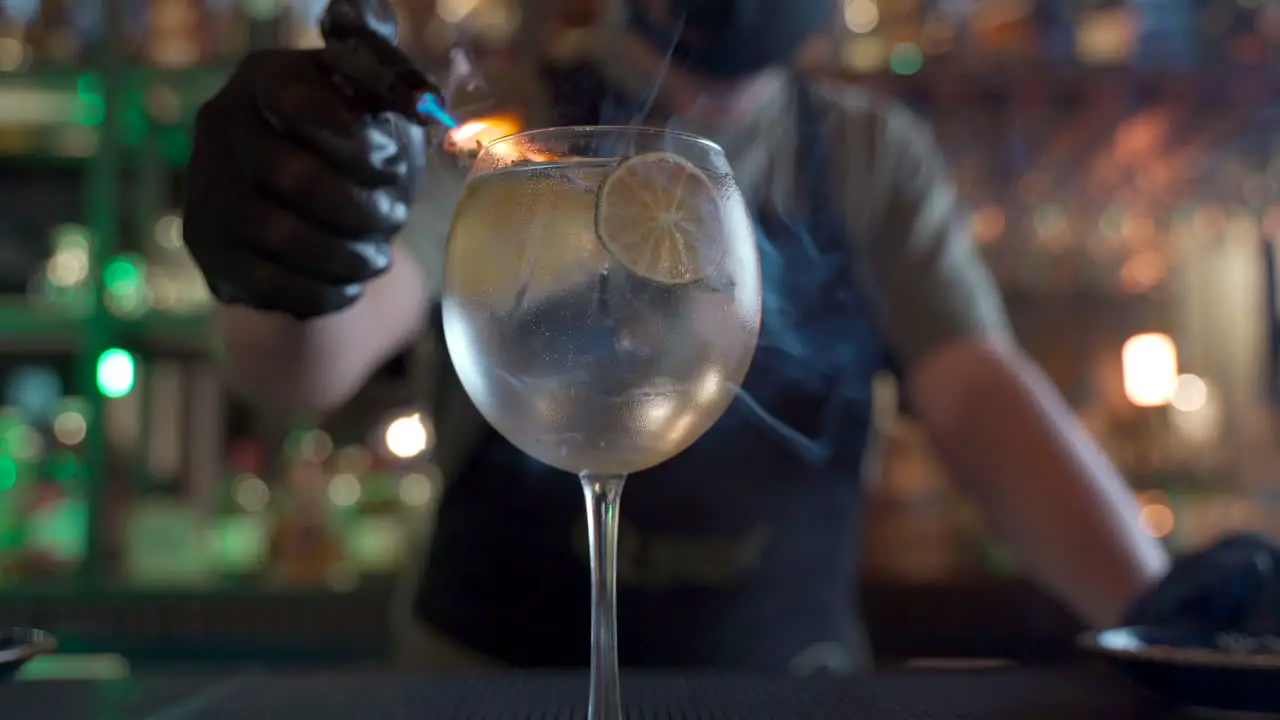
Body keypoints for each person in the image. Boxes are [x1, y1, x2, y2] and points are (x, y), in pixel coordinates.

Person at [186, 0, 1268, 674]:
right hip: (487, 688)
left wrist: (1161, 615)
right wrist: (286, 255)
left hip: (781, 688)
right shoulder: (504, 128)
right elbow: (309, 365)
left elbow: (978, 397)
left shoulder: (864, 157)